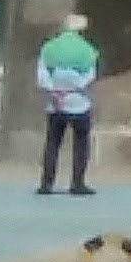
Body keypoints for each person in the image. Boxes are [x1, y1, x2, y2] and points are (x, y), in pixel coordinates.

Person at [34, 13, 99, 195]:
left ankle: (47, 183)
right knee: (81, 142)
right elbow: (90, 75)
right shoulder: (87, 50)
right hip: (79, 102)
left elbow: (42, 74)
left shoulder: (48, 48)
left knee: (53, 143)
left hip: (55, 103)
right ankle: (77, 183)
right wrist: (75, 86)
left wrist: (53, 89)